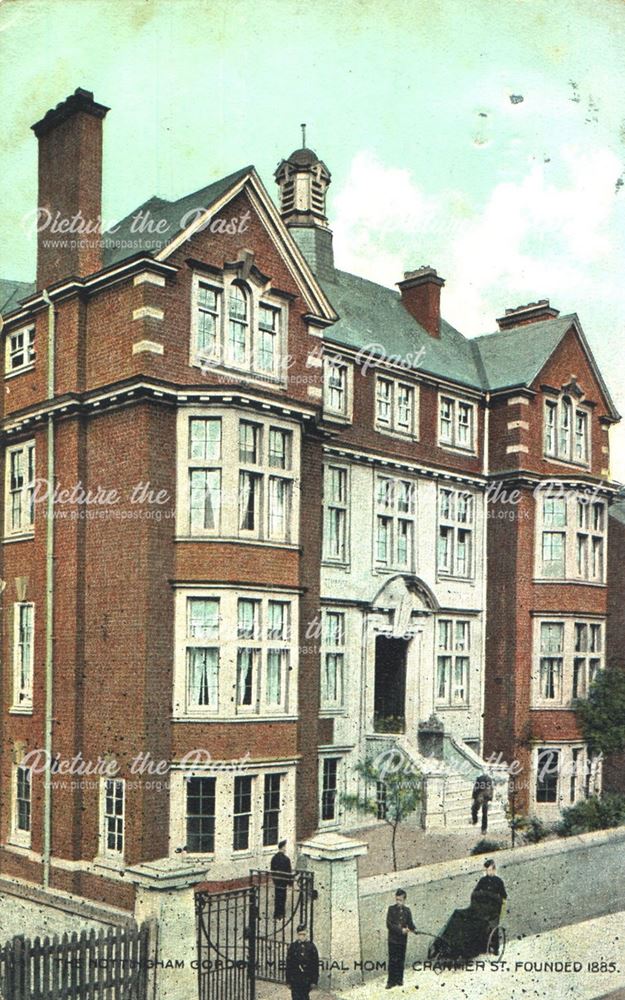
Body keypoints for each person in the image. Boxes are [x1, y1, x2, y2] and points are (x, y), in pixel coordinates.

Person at [470, 858, 507, 952]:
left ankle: (495, 948)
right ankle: (481, 946)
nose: (488, 872)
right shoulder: (482, 881)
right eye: (487, 870)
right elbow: (475, 893)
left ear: (494, 870)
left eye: (490, 870)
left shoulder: (499, 881)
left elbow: (503, 896)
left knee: (493, 927)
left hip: (494, 910)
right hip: (483, 908)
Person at [386, 888, 417, 989]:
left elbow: (410, 924)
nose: (398, 902)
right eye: (397, 900)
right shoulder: (391, 909)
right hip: (393, 940)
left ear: (404, 900)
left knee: (400, 960)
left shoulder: (407, 911)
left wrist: (413, 929)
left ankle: (399, 979)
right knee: (392, 960)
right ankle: (391, 982)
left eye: (400, 900)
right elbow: (389, 924)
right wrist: (401, 931)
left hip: (402, 941)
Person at [285, 924, 319, 1000]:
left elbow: (315, 964)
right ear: (297, 935)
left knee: (305, 997)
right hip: (295, 978)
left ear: (307, 934)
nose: (302, 936)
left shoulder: (311, 947)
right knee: (295, 997)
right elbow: (289, 964)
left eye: (304, 934)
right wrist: (288, 981)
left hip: (307, 978)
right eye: (300, 934)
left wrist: (314, 981)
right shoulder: (293, 947)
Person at [270, 838, 293, 920]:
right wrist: (290, 883)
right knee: (283, 897)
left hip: (277, 881)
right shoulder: (286, 859)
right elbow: (288, 872)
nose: (285, 849)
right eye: (285, 847)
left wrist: (274, 879)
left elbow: (272, 870)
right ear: (282, 847)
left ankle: (276, 913)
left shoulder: (274, 858)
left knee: (277, 896)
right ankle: (281, 913)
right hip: (283, 881)